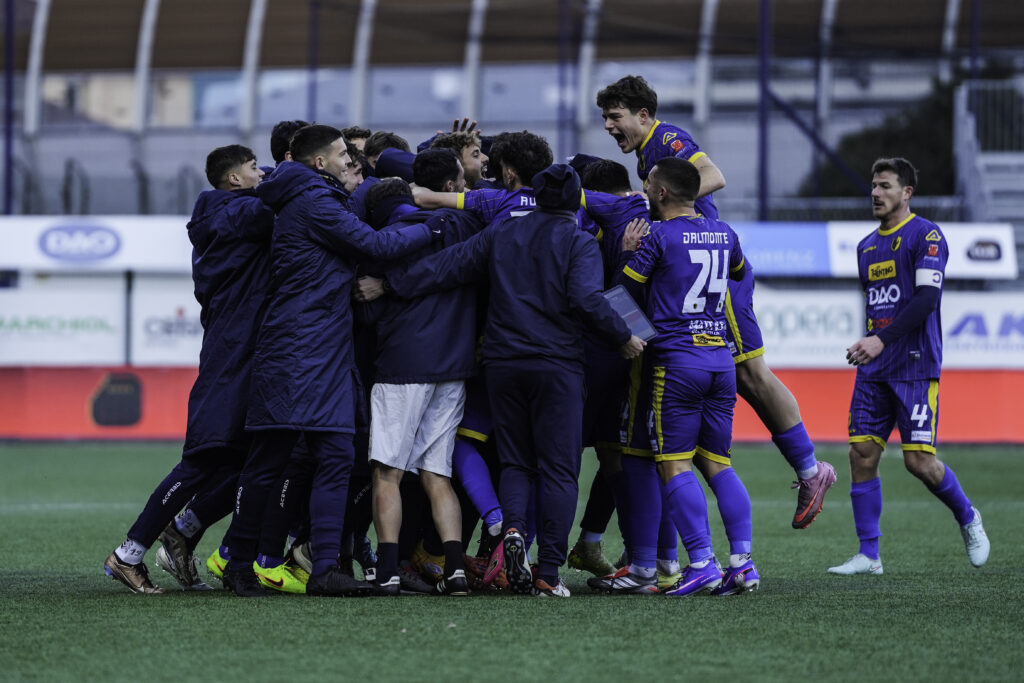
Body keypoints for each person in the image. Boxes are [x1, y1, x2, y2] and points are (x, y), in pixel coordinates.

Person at [372, 164, 646, 597]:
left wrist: (389, 284)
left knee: (516, 462)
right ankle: (548, 572)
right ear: (575, 202)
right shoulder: (578, 241)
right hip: (557, 365)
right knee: (558, 469)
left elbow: (446, 266)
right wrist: (623, 336)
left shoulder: (502, 232)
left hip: (502, 364)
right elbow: (586, 299)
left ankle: (513, 530)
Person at [597, 74, 837, 529]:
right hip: (697, 272)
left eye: (615, 116)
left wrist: (661, 209)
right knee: (736, 379)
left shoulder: (666, 139)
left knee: (751, 373)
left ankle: (810, 470)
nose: (609, 126)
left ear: (643, 115)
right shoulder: (647, 154)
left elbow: (713, 176)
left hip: (710, 275)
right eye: (605, 118)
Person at [221, 124, 440, 597]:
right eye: (343, 155)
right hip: (297, 348)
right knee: (270, 459)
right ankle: (238, 563)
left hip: (322, 349)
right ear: (320, 162)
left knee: (336, 454)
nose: (350, 162)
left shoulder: (310, 197)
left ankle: (323, 568)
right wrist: (434, 227)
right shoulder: (314, 202)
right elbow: (376, 246)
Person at [104, 144, 273, 594]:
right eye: (254, 167)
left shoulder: (225, 211)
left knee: (252, 461)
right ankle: (128, 554)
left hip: (239, 351)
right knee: (202, 459)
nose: (262, 173)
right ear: (234, 179)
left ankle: (183, 530)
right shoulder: (237, 212)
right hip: (230, 354)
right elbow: (276, 205)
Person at [829, 158, 990, 575]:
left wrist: (880, 340)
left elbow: (926, 300)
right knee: (861, 453)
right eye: (873, 185)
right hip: (874, 370)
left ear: (907, 193)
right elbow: (878, 305)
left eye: (885, 186)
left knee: (918, 462)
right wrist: (872, 341)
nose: (875, 193)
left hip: (915, 366)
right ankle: (869, 555)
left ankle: (968, 516)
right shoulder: (866, 247)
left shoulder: (926, 235)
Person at [605, 157, 755, 596]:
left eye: (649, 184)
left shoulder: (657, 236)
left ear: (662, 192)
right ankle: (743, 563)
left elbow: (621, 293)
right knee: (719, 464)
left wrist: (625, 255)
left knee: (673, 464)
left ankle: (702, 562)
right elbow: (739, 273)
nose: (645, 190)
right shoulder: (725, 233)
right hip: (720, 361)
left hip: (677, 363)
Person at [361, 176, 481, 596]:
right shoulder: (465, 226)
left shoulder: (388, 240)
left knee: (387, 473)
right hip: (454, 366)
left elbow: (367, 310)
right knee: (437, 473)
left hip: (403, 365)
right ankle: (455, 571)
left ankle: (388, 571)